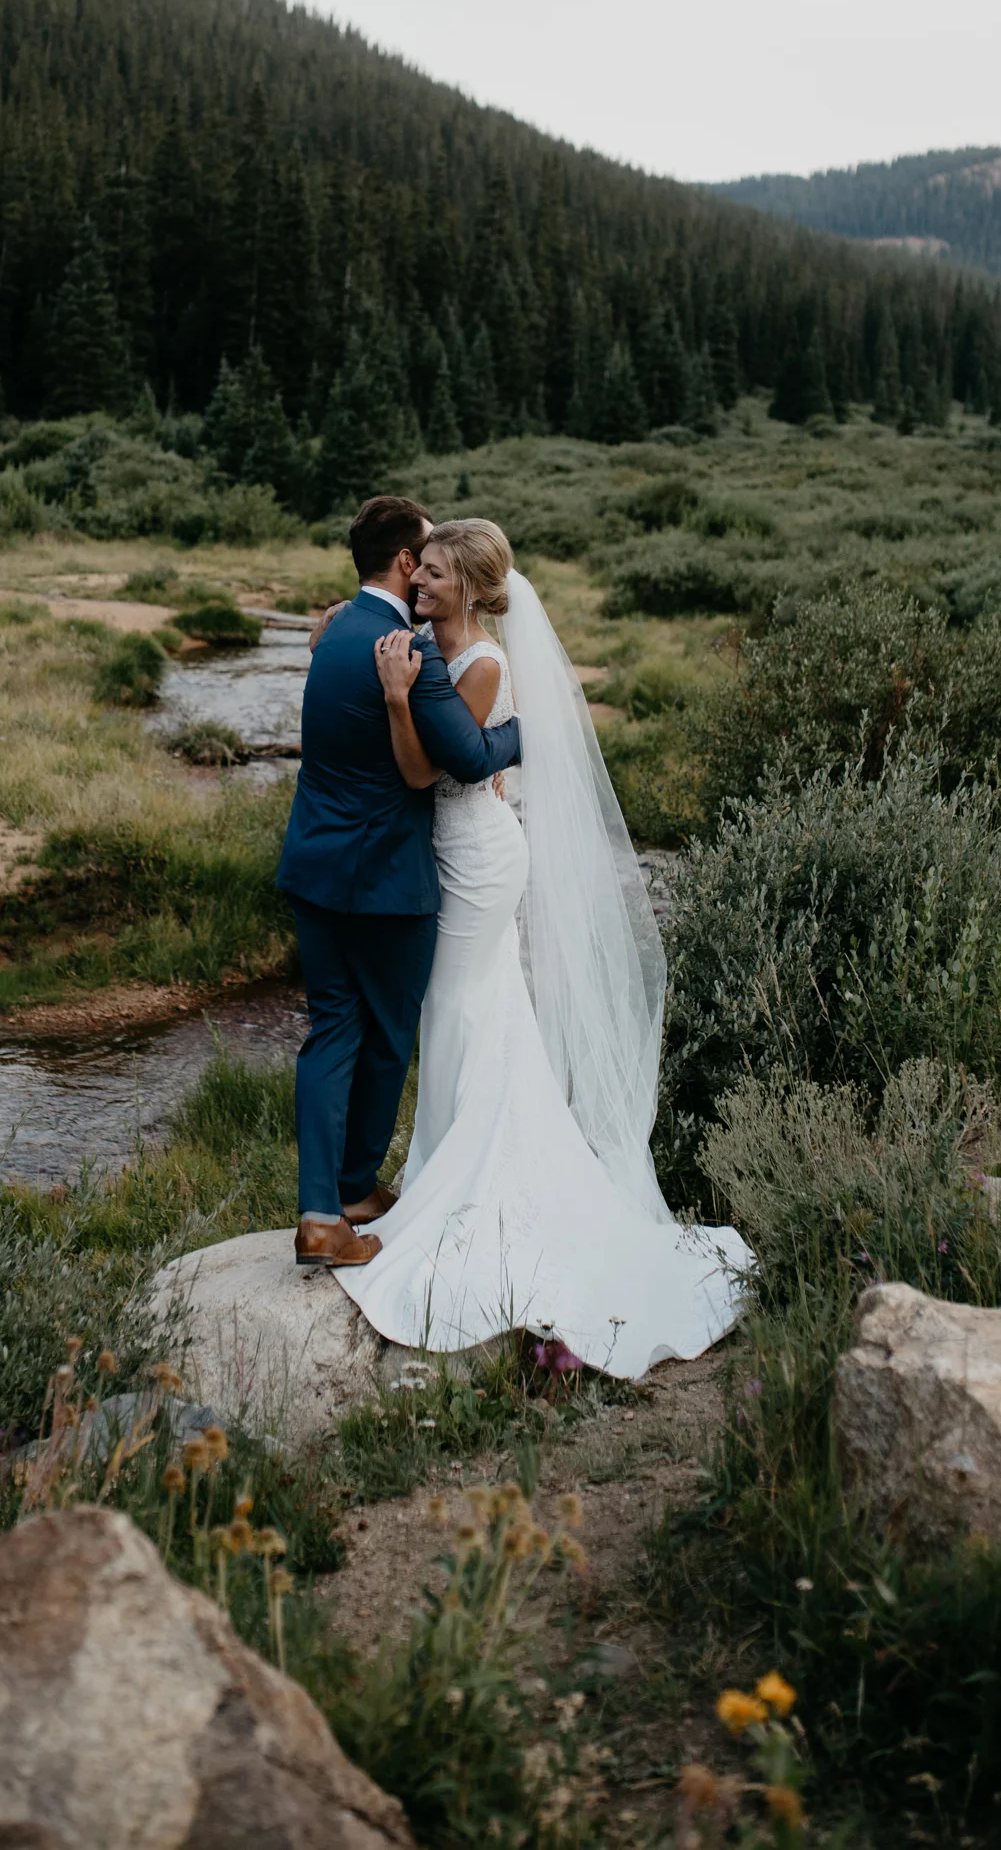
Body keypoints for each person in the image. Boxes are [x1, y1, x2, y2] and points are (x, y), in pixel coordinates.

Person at [345, 517, 751, 1378]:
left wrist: (395, 702)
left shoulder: (484, 664)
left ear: (471, 586)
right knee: (473, 1007)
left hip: (480, 857)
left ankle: (463, 1193)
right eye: (420, 571)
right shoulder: (423, 643)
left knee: (457, 1004)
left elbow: (433, 773)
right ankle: (443, 1172)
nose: (420, 582)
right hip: (450, 854)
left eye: (438, 574)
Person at [276, 495, 522, 1269]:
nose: (431, 567)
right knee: (385, 1037)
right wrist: (533, 722)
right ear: (408, 563)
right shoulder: (403, 655)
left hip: (314, 866)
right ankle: (346, 1193)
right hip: (386, 884)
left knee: (331, 1032)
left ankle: (332, 1205)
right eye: (427, 552)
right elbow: (473, 759)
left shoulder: (335, 633)